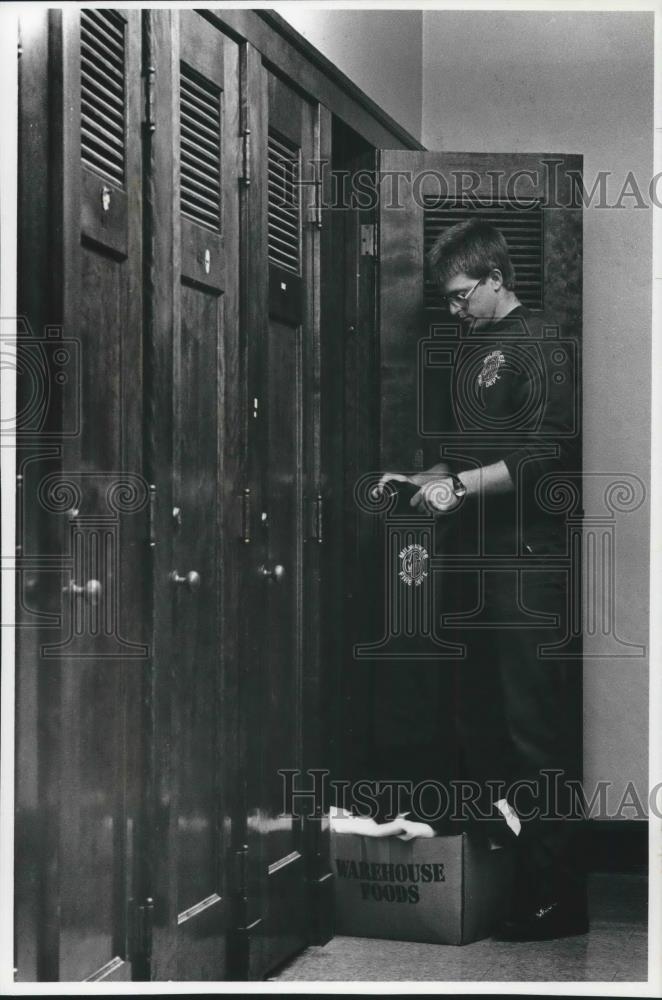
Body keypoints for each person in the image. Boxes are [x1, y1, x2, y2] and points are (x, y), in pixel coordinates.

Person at [376, 219, 586, 941]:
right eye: (450, 300)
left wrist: (461, 487)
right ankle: (504, 880)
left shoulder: (544, 343)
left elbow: (547, 454)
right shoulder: (469, 351)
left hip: (527, 562)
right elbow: (457, 457)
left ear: (497, 278)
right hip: (471, 562)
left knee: (534, 730)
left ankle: (558, 896)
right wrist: (422, 478)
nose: (456, 309)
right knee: (479, 725)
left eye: (465, 295)